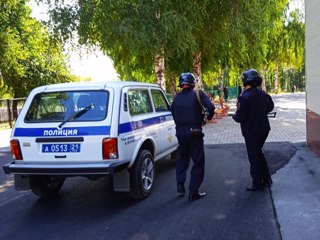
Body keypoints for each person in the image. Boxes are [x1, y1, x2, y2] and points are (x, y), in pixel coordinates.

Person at [171, 72, 215, 201]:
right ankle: (193, 191)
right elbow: (211, 107)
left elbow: (173, 113)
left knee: (183, 158)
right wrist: (208, 117)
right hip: (195, 131)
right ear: (192, 83)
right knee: (198, 161)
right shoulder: (198, 94)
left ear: (181, 84)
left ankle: (180, 182)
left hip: (180, 132)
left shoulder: (176, 99)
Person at [232, 69, 274, 191]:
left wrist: (235, 116)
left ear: (245, 81)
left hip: (251, 132)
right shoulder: (263, 94)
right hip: (264, 130)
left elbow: (239, 117)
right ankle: (266, 179)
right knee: (258, 153)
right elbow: (270, 107)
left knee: (254, 157)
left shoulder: (244, 97)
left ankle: (257, 182)